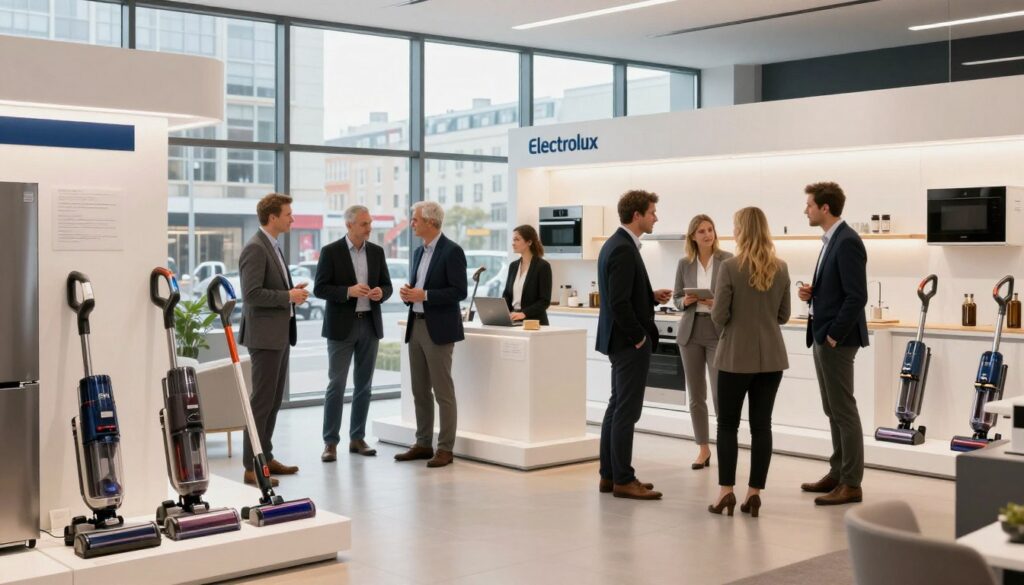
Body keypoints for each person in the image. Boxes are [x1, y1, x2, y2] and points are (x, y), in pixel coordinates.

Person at [707, 207, 790, 518]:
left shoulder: (728, 267)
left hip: (733, 358)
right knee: (762, 426)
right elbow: (782, 315)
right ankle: (754, 494)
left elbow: (719, 315)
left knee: (727, 425)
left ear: (741, 230)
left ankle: (725, 492)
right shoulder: (780, 268)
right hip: (771, 358)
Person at [595, 190, 673, 500]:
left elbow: (623, 295)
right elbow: (618, 303)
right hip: (628, 343)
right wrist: (640, 336)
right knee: (627, 411)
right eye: (652, 212)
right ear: (637, 215)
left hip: (618, 340)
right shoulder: (624, 249)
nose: (656, 217)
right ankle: (624, 480)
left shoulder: (617, 244)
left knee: (617, 407)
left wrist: (649, 296)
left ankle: (609, 474)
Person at [798, 181, 868, 506]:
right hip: (823, 334)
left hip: (835, 339)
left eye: (809, 205)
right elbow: (838, 289)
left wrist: (833, 335)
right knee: (832, 409)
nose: (806, 210)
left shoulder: (847, 241)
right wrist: (812, 294)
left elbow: (857, 297)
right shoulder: (831, 240)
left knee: (843, 410)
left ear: (825, 208)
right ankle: (838, 472)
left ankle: (851, 483)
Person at [237, 193, 308, 486]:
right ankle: (252, 466)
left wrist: (291, 293)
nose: (292, 219)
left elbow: (272, 289)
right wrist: (288, 296)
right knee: (262, 403)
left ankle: (265, 456)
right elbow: (251, 295)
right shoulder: (255, 248)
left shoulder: (273, 246)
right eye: (288, 214)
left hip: (278, 335)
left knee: (273, 401)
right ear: (273, 217)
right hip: (265, 337)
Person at [314, 205, 393, 462]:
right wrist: (348, 291)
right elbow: (320, 288)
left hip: (369, 324)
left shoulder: (377, 252)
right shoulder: (331, 252)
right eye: (364, 224)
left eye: (370, 223)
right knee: (336, 385)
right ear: (349, 225)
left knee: (364, 386)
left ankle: (357, 438)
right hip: (341, 328)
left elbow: (387, 285)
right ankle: (330, 442)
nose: (369, 228)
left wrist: (381, 292)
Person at [394, 201, 467, 468]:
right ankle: (423, 443)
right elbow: (419, 287)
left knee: (442, 392)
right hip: (417, 325)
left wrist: (424, 295)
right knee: (419, 390)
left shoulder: (452, 251)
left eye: (415, 220)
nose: (412, 224)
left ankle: (445, 448)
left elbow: (459, 292)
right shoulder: (417, 252)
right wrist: (409, 294)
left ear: (431, 222)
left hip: (439, 329)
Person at [672, 214, 733, 470]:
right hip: (690, 331)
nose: (707, 234)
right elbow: (676, 298)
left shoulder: (728, 260)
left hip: (718, 332)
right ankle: (703, 449)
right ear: (693, 237)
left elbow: (735, 299)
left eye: (710, 229)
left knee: (721, 394)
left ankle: (725, 448)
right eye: (701, 231)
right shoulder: (684, 263)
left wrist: (716, 303)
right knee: (696, 396)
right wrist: (683, 302)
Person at [502, 224, 552, 325]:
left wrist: (524, 313)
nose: (513, 243)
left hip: (535, 323)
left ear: (529, 242)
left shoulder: (542, 266)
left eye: (517, 239)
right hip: (514, 320)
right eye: (513, 240)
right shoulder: (513, 266)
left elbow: (544, 301)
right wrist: (502, 313)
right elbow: (507, 295)